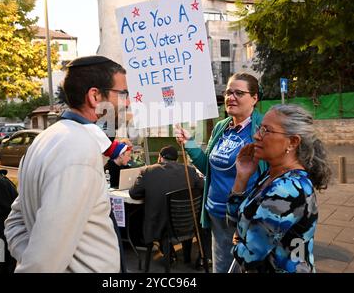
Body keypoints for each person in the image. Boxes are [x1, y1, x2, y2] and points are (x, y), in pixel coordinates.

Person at [4, 56, 130, 273]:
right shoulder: (78, 150)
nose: (128, 102)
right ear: (95, 96)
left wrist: (30, 255)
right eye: (123, 94)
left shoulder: (45, 140)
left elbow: (15, 222)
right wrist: (36, 261)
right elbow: (42, 264)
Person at [175, 72, 268, 272]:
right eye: (228, 92)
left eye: (238, 93)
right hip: (216, 215)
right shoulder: (221, 127)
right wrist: (189, 143)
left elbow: (271, 175)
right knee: (221, 267)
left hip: (244, 219)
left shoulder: (263, 130)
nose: (231, 97)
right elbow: (207, 167)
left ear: (254, 98)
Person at [227, 104, 331, 273]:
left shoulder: (287, 190)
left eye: (266, 131)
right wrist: (242, 177)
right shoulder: (271, 175)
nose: (256, 136)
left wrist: (239, 240)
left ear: (292, 142)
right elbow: (233, 219)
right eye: (260, 128)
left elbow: (249, 257)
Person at [129, 145, 204, 264]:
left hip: (158, 226)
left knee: (155, 214)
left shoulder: (148, 171)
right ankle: (183, 257)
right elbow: (202, 186)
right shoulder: (189, 170)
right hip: (186, 223)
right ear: (176, 159)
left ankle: (169, 254)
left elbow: (134, 193)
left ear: (160, 158)